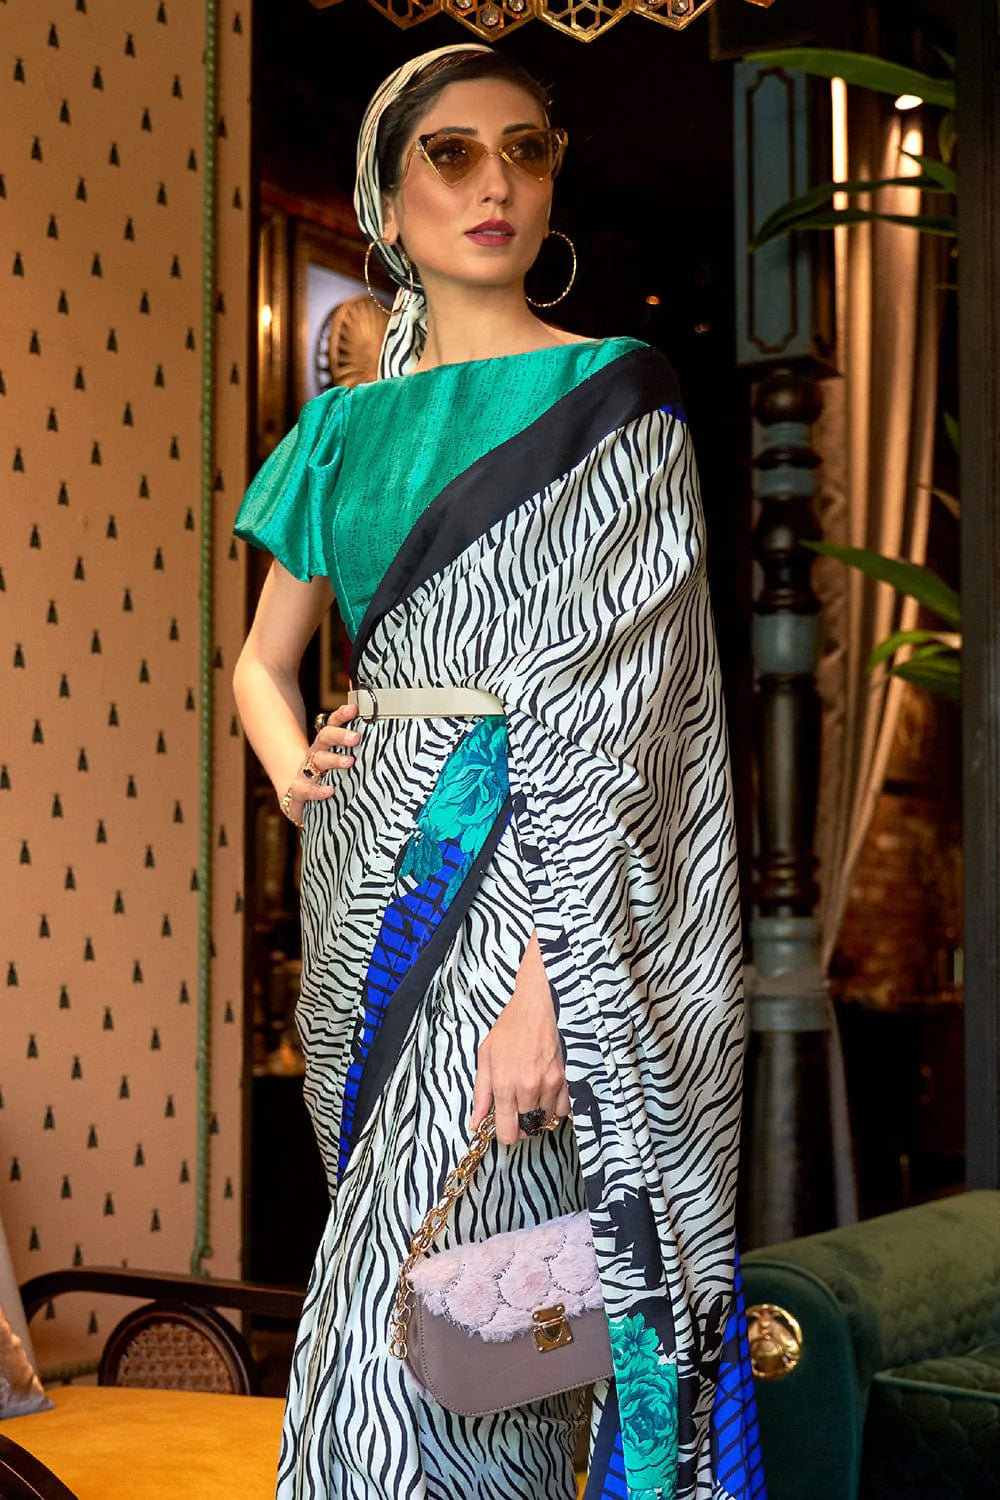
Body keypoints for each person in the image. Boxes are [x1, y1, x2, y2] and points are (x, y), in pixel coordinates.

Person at [232, 40, 766, 1500]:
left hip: (536, 904)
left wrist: (547, 990)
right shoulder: (340, 430)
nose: (496, 185)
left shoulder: (616, 398)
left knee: (419, 1349)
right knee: (461, 1320)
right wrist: (298, 772)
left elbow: (625, 723)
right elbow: (260, 666)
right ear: (386, 201)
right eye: (453, 155)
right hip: (370, 895)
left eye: (525, 151)